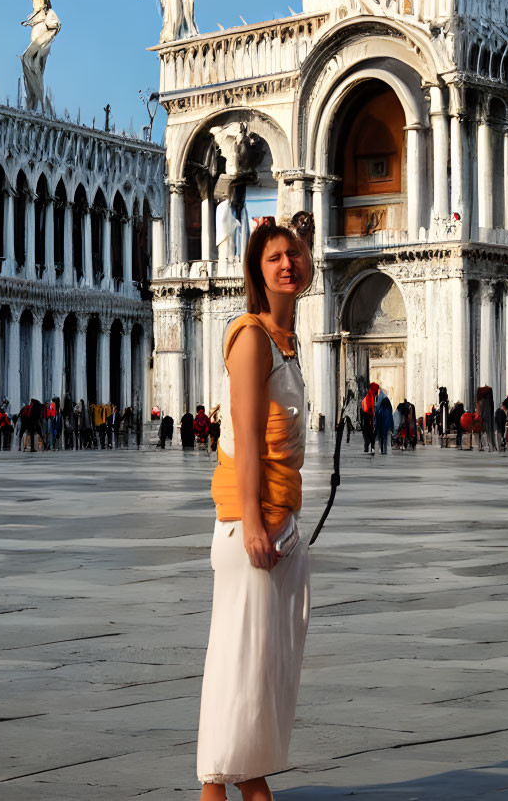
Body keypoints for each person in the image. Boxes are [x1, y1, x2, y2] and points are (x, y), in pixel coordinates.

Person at [199, 219, 313, 801]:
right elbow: (242, 434)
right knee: (240, 664)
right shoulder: (249, 336)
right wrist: (251, 523)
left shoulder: (287, 341)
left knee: (266, 669)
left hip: (281, 520)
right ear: (256, 270)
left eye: (294, 254)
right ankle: (227, 788)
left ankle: (247, 782)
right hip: (253, 524)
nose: (287, 264)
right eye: (273, 257)